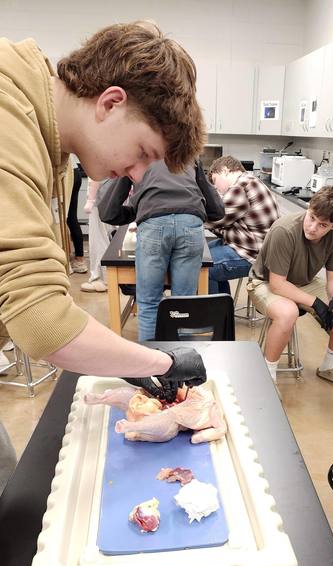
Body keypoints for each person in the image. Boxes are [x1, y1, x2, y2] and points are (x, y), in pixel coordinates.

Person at [0, 19, 208, 432]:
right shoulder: (7, 113)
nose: (137, 175)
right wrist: (161, 362)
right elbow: (41, 321)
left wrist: (121, 359)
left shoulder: (50, 141)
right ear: (110, 103)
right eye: (143, 153)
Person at [247, 187, 333, 388]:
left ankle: (328, 366)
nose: (313, 227)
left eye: (322, 225)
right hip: (263, 283)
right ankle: (268, 378)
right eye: (312, 217)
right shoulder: (285, 230)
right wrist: (316, 303)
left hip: (303, 283)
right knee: (288, 312)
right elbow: (278, 284)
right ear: (309, 208)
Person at [98, 159, 224, 340]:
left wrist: (140, 211)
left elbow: (108, 210)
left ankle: (152, 364)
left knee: (149, 304)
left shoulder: (137, 155)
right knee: (184, 305)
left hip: (153, 226)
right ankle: (183, 363)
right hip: (190, 223)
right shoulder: (187, 154)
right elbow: (217, 210)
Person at [206, 155, 279, 294]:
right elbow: (225, 224)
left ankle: (213, 314)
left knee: (201, 266)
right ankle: (222, 312)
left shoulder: (241, 185)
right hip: (258, 251)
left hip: (253, 256)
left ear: (225, 171)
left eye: (215, 181)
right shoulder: (251, 181)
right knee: (202, 254)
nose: (215, 187)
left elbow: (216, 219)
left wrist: (191, 218)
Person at [80, 179, 114, 292]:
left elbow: (96, 176)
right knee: (107, 238)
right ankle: (108, 278)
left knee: (98, 239)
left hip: (99, 197)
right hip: (110, 195)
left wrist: (90, 199)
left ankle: (100, 279)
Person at [66, 154, 87, 273]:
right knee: (70, 218)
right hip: (74, 172)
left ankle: (70, 261)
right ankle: (79, 259)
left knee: (61, 219)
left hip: (67, 174)